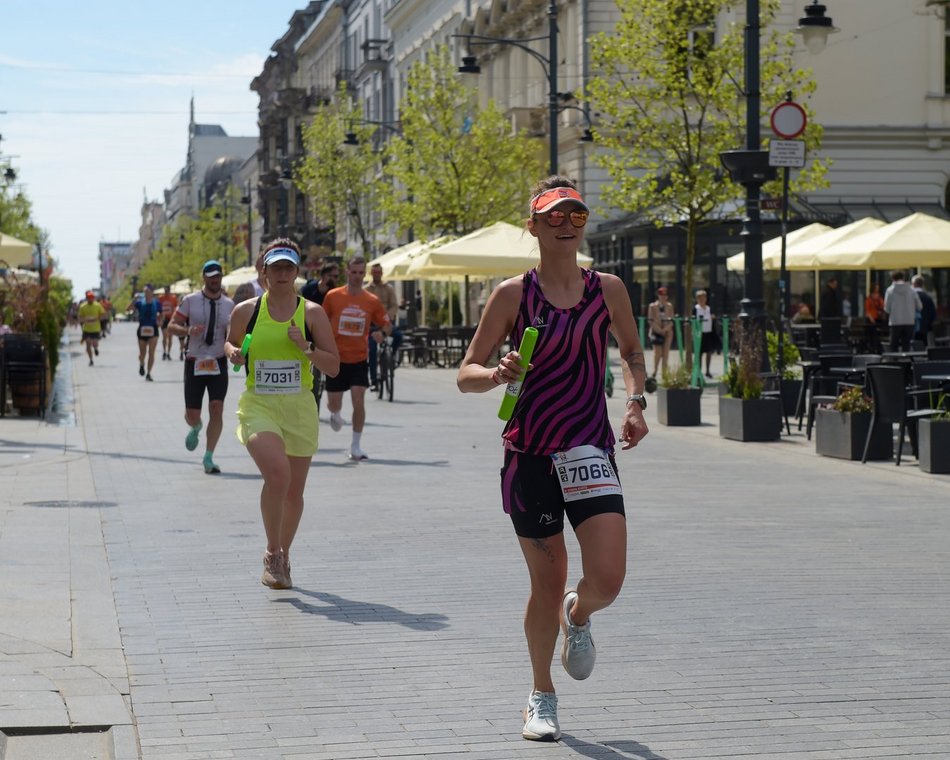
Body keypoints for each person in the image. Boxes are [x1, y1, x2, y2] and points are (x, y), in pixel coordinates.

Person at [457, 176, 649, 742]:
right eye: (554, 216)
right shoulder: (513, 295)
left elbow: (633, 352)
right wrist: (496, 373)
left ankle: (580, 612)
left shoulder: (607, 289)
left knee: (607, 580)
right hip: (531, 455)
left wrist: (635, 402)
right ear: (534, 226)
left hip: (590, 448)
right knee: (546, 581)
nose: (566, 224)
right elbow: (466, 373)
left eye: (576, 215)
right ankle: (541, 694)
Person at [225, 239, 339, 589]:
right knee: (278, 476)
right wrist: (233, 354)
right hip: (259, 403)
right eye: (276, 267)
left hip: (299, 407)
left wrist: (305, 348)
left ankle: (285, 553)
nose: (282, 274)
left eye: (289, 268)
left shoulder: (313, 313)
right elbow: (229, 343)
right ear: (264, 271)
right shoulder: (246, 311)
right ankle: (272, 554)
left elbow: (333, 367)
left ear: (297, 272)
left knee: (293, 492)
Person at [168, 260, 236, 474]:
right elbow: (171, 326)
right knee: (192, 414)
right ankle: (196, 427)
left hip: (217, 361)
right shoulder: (190, 301)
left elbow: (233, 335)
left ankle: (208, 457)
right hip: (195, 361)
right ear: (204, 278)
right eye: (211, 276)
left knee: (217, 408)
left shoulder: (229, 305)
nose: (214, 280)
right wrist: (187, 330)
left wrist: (235, 349)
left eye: (218, 276)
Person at [321, 257, 391, 460]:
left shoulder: (371, 300)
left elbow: (386, 324)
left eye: (361, 273)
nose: (358, 276)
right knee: (334, 404)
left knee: (358, 399)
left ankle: (355, 445)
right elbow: (321, 320)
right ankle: (335, 413)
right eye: (354, 272)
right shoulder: (333, 297)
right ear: (347, 272)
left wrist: (382, 334)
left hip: (359, 358)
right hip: (336, 358)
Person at [365, 261, 401, 387]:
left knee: (399, 336)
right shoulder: (366, 290)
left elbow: (394, 305)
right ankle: (374, 379)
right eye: (375, 272)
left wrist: (387, 317)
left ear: (382, 273)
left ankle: (392, 360)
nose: (377, 274)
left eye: (379, 272)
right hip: (372, 325)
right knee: (372, 349)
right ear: (371, 273)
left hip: (386, 323)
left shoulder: (388, 288)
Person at [128, 285, 162, 380]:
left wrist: (160, 321)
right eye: (144, 291)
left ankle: (149, 373)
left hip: (153, 329)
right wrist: (134, 299)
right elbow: (128, 309)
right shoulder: (139, 302)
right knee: (142, 353)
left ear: (152, 292)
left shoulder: (157, 303)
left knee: (151, 352)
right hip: (142, 329)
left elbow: (161, 314)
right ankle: (142, 364)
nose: (146, 293)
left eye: (147, 291)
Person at [883, 270, 922, 352]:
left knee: (894, 345)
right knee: (906, 345)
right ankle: (907, 362)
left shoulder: (890, 291)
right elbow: (920, 306)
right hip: (909, 322)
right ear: (903, 278)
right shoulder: (912, 291)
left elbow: (887, 308)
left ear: (893, 279)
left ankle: (895, 362)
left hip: (895, 322)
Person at [647, 287, 674, 379]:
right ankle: (655, 370)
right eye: (661, 295)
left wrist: (665, 329)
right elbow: (650, 320)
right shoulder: (652, 306)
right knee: (657, 353)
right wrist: (659, 330)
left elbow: (672, 320)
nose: (663, 297)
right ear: (658, 295)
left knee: (666, 353)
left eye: (665, 295)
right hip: (656, 332)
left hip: (667, 333)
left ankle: (664, 374)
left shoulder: (669, 306)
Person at [693, 289, 717, 378]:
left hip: (708, 332)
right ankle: (698, 371)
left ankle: (708, 370)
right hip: (699, 333)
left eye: (704, 298)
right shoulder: (696, 309)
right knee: (699, 353)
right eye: (700, 298)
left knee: (709, 352)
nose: (702, 300)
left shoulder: (708, 308)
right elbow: (693, 320)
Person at [78, 290, 105, 366]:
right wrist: (85, 320)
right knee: (88, 345)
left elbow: (103, 314)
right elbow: (80, 317)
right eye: (89, 297)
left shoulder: (97, 305)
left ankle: (96, 349)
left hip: (96, 328)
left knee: (95, 343)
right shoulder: (83, 306)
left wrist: (97, 318)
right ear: (87, 298)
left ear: (94, 298)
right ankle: (91, 360)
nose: (90, 299)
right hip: (87, 329)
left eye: (92, 297)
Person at [912, 274, 937, 347]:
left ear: (913, 284)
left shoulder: (910, 297)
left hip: (910, 324)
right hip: (925, 326)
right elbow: (933, 313)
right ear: (922, 284)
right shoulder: (927, 297)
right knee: (924, 345)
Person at [157, 287, 179, 360]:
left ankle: (168, 352)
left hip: (171, 319)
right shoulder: (160, 298)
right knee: (164, 336)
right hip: (164, 319)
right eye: (165, 290)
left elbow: (176, 307)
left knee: (170, 337)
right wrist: (159, 318)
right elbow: (158, 309)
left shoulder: (173, 298)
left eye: (167, 290)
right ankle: (164, 352)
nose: (166, 292)